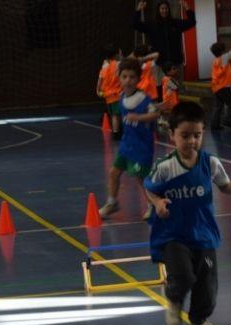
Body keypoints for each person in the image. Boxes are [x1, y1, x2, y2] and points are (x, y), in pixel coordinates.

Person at [144, 101, 231, 325]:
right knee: (183, 276)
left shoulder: (210, 163)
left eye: (197, 135)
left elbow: (225, 186)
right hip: (173, 234)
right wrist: (157, 202)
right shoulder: (164, 167)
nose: (191, 141)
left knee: (207, 285)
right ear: (172, 135)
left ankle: (198, 317)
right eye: (185, 136)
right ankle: (173, 297)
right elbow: (149, 188)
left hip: (203, 233)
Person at [99, 58, 160, 219]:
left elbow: (155, 113)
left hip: (141, 145)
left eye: (132, 77)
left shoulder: (142, 98)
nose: (128, 80)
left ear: (138, 79)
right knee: (114, 173)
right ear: (119, 78)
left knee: (141, 177)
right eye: (124, 76)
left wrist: (139, 118)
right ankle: (112, 203)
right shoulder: (121, 97)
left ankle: (152, 205)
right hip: (127, 144)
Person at [132, 1, 196, 101]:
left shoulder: (176, 23)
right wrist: (138, 10)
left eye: (166, 8)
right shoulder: (152, 25)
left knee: (175, 90)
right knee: (161, 90)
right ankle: (163, 107)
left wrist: (187, 8)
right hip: (159, 63)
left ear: (168, 10)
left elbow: (192, 22)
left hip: (175, 63)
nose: (164, 10)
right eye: (162, 8)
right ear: (158, 10)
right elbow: (135, 24)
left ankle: (175, 107)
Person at [96, 44, 122, 140]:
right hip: (117, 93)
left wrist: (98, 90)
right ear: (116, 55)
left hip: (108, 95)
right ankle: (120, 132)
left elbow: (100, 80)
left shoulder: (104, 66)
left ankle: (116, 133)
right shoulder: (118, 64)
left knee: (114, 115)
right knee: (120, 114)